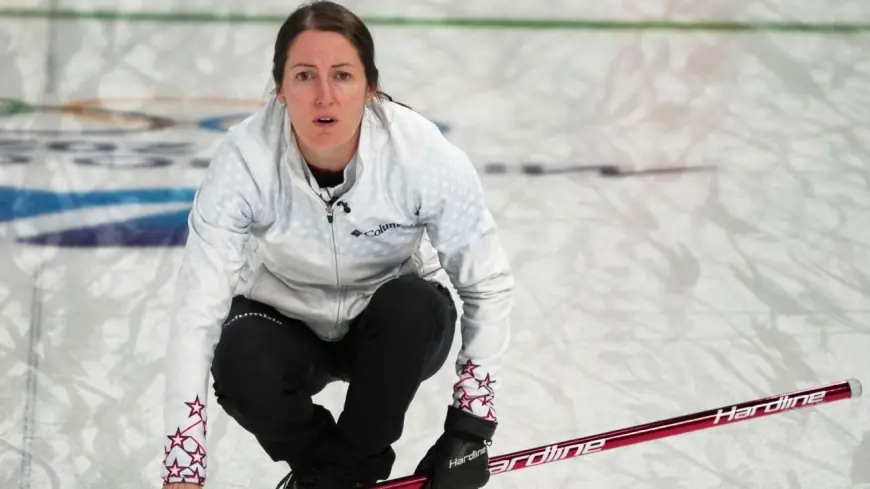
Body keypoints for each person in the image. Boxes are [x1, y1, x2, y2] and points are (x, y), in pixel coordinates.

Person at [159, 1, 513, 488]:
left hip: (396, 336)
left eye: (342, 75)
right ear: (281, 88)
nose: (324, 96)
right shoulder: (243, 161)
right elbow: (195, 313)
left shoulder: (421, 153)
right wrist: (184, 465)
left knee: (411, 305)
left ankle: (336, 473)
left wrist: (471, 429)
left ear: (369, 86)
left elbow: (487, 285)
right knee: (238, 352)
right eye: (305, 76)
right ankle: (339, 472)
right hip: (287, 327)